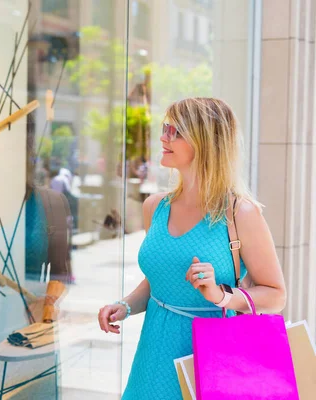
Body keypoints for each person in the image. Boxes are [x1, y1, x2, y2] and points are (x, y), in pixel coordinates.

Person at [97, 98, 287, 399]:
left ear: (206, 141)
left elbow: (275, 295)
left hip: (214, 355)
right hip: (153, 353)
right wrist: (126, 306)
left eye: (176, 131)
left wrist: (220, 295)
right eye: (165, 128)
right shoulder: (155, 207)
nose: (163, 137)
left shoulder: (240, 213)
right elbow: (159, 279)